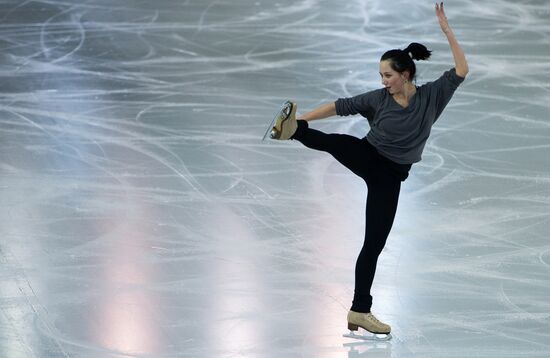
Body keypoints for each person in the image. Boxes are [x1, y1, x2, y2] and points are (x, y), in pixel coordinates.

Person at [269, 3, 468, 336]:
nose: (384, 81)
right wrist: (303, 119)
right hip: (369, 155)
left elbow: (461, 69)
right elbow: (340, 106)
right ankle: (293, 129)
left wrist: (447, 32)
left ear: (405, 74)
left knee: (373, 245)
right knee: (338, 143)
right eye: (381, 76)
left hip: (391, 177)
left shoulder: (433, 96)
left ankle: (360, 310)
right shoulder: (378, 99)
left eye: (388, 75)